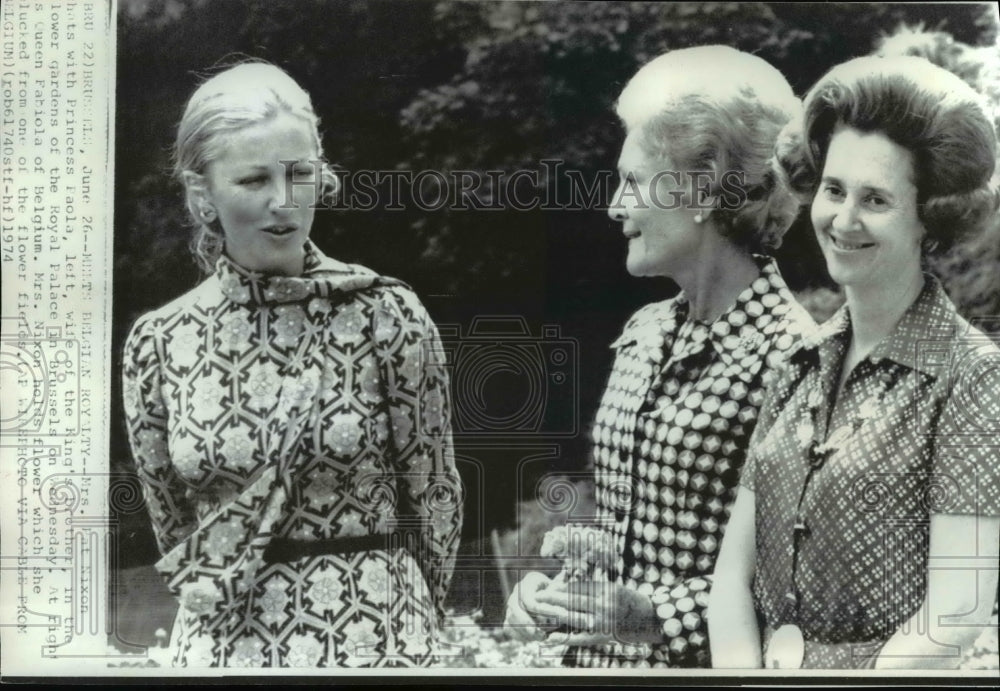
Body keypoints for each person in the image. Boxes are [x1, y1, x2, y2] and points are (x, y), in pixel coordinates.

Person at [122, 61, 462, 667]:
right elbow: (173, 528)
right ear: (204, 196)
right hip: (226, 647)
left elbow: (435, 495)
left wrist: (414, 621)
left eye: (300, 174)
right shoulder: (158, 342)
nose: (283, 202)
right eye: (253, 180)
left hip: (377, 642)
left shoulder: (387, 315)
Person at [503, 45, 815, 668]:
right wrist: (553, 592)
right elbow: (626, 527)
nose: (614, 207)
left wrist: (648, 616)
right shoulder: (643, 332)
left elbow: (801, 589)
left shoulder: (795, 357)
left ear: (699, 191)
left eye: (632, 182)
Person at [709, 55, 1000, 670]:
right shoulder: (795, 363)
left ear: (930, 218)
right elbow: (730, 580)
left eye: (875, 199)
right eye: (834, 190)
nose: (843, 220)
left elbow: (959, 609)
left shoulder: (973, 375)